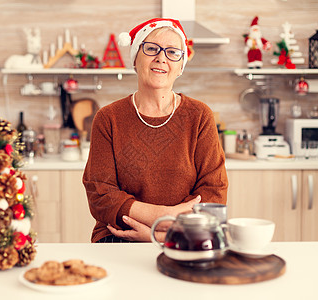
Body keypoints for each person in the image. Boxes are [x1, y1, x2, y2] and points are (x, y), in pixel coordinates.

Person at [82, 18, 228, 243]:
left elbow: (214, 192)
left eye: (172, 52)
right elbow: (100, 194)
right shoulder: (108, 118)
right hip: (120, 235)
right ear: (135, 58)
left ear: (180, 66)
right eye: (151, 48)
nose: (161, 58)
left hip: (184, 234)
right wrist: (161, 216)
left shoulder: (199, 116)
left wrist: (161, 234)